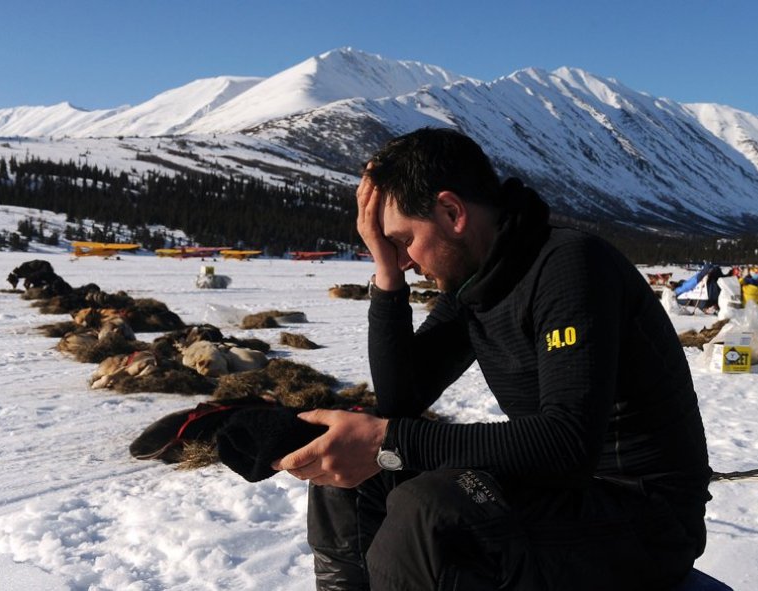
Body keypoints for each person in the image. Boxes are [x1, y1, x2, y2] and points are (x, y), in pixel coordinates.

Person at [274, 128, 713, 590]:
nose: (405, 260)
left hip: (646, 514)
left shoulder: (569, 267)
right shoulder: (477, 283)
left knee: (430, 510)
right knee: (347, 469)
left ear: (452, 212)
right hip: (559, 493)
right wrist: (386, 274)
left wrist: (394, 441)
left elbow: (566, 443)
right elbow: (401, 395)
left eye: (403, 241)